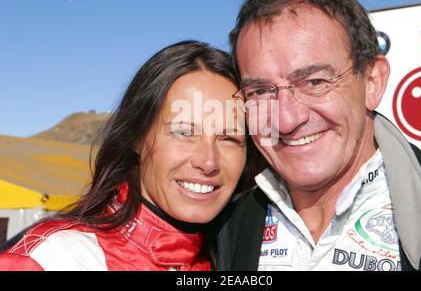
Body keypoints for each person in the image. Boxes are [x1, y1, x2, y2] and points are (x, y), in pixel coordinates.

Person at [216, 0, 421, 271]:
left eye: (315, 82)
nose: (287, 120)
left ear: (372, 82)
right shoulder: (221, 227)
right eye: (261, 91)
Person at [0, 40, 252, 271]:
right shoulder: (53, 259)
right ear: (136, 137)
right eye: (184, 132)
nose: (208, 161)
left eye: (229, 138)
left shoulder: (237, 259)